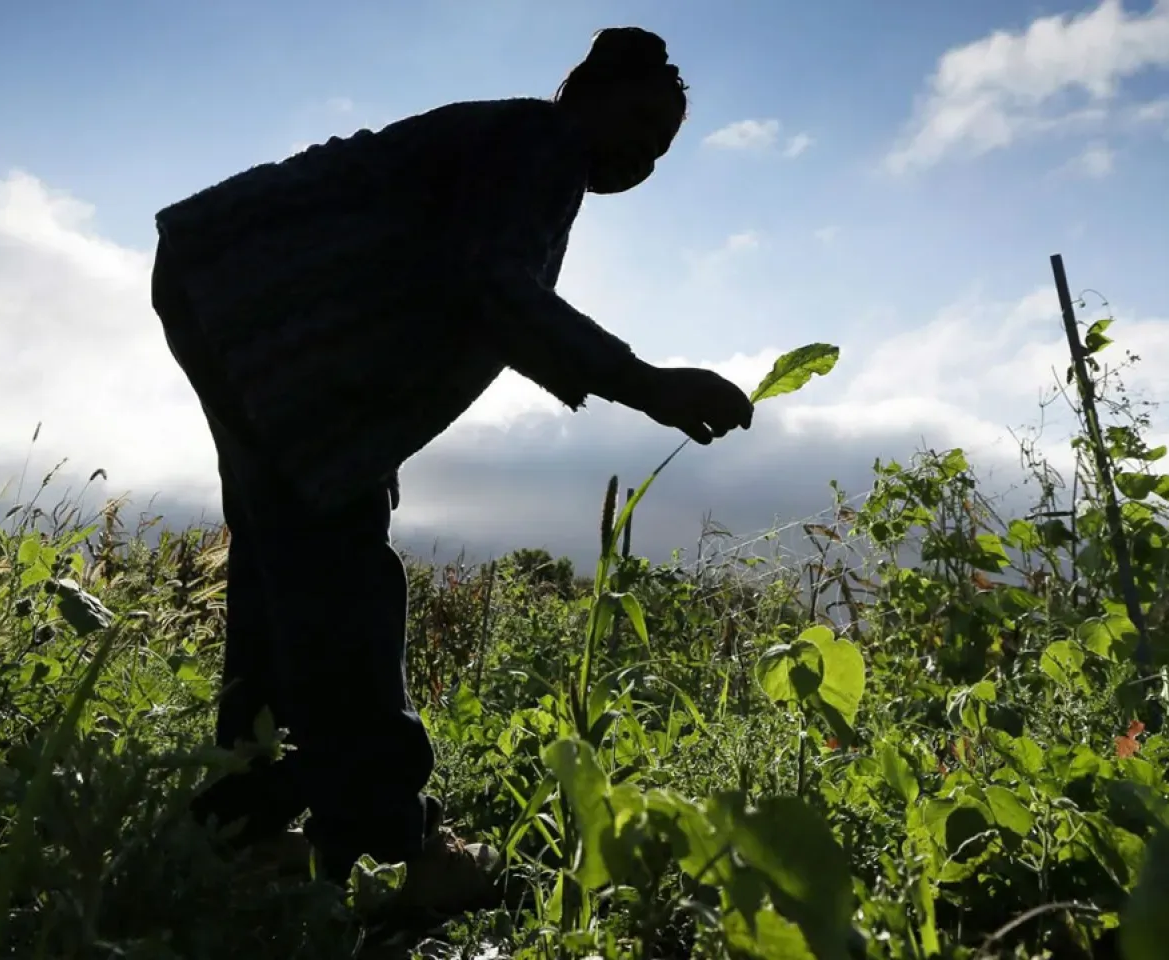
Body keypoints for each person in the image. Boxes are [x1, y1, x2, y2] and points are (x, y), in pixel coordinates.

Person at [149, 25, 754, 920]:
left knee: (287, 556)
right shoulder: (540, 144)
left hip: (227, 288)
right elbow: (493, 286)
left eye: (661, 149)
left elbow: (440, 291)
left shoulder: (509, 145)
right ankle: (401, 842)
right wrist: (644, 382)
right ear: (579, 92)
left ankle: (245, 825)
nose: (643, 157)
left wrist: (364, 450)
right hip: (258, 303)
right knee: (339, 573)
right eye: (638, 123)